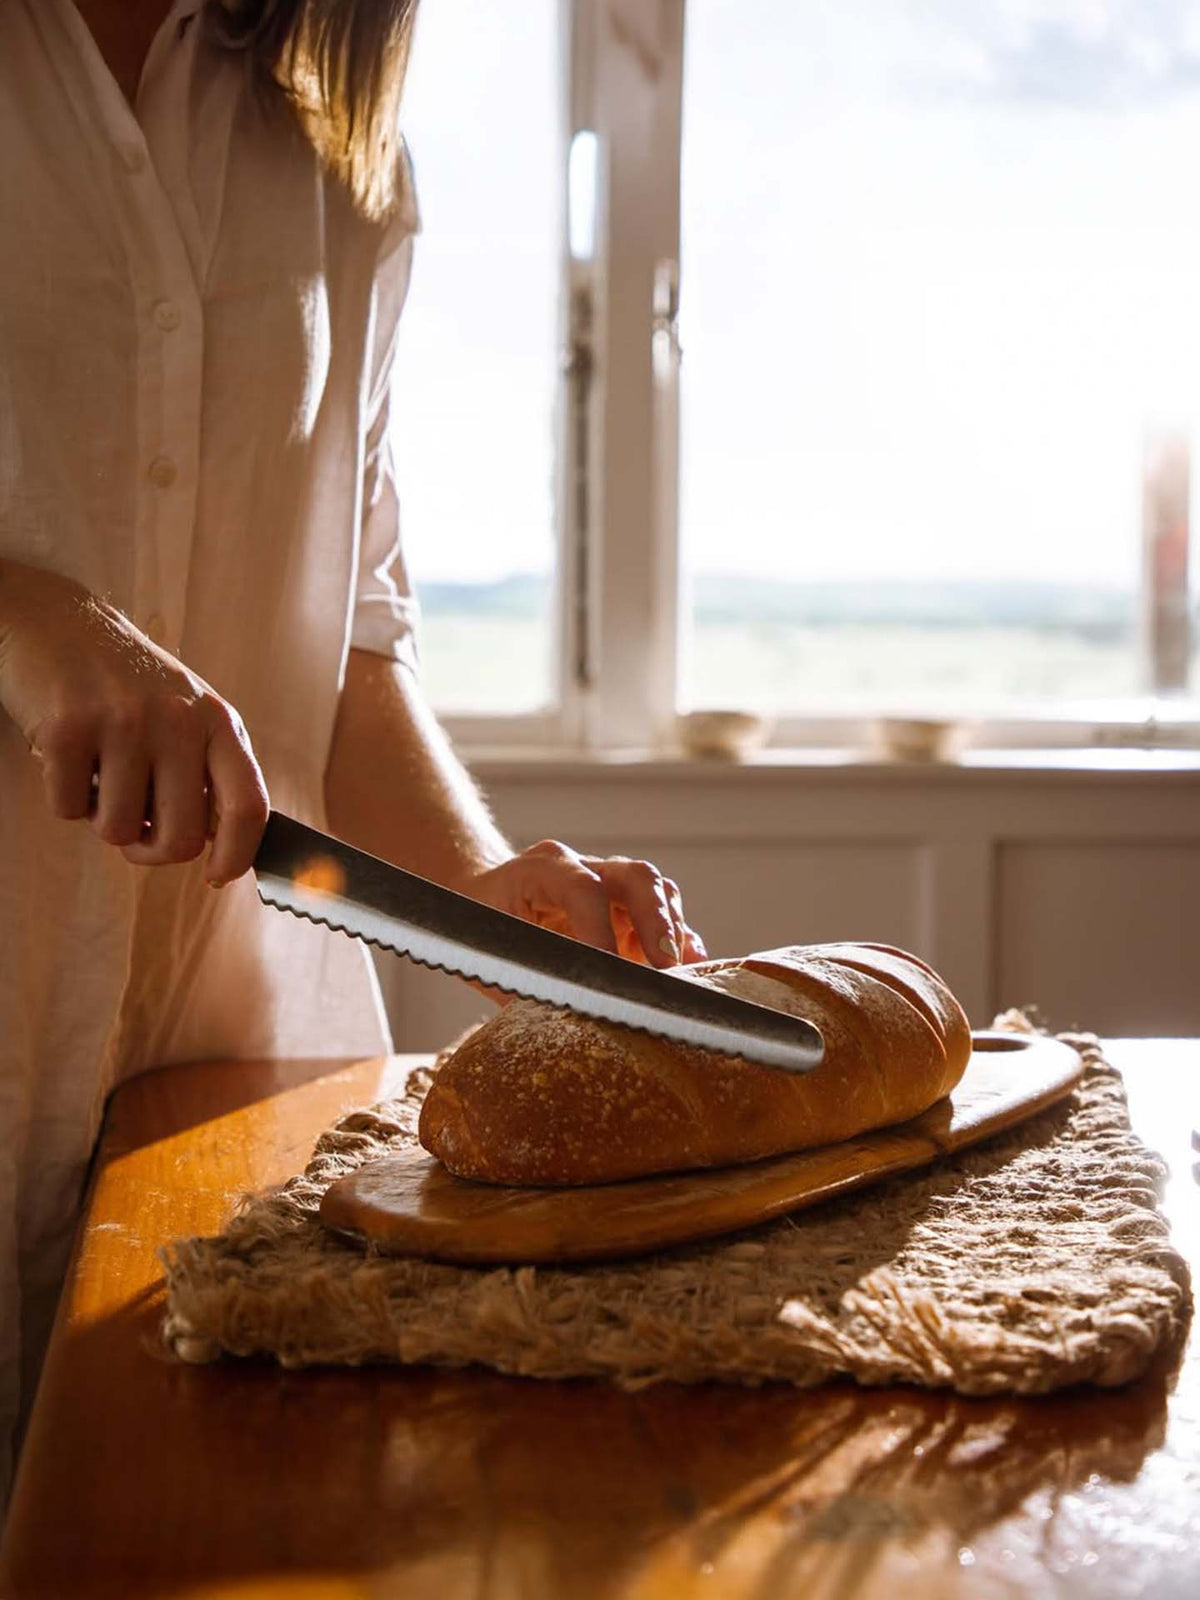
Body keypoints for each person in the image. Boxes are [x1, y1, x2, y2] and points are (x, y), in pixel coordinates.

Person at [0, 0, 706, 1510]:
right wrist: (34, 616)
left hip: (222, 1092)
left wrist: (480, 883)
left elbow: (347, 642)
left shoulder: (335, 145)